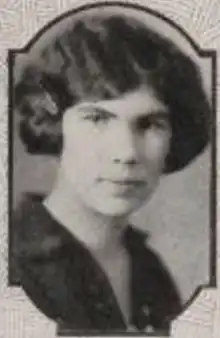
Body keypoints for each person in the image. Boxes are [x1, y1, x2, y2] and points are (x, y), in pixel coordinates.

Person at [11, 11, 210, 334]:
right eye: (97, 119)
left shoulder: (150, 270)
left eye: (149, 124)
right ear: (51, 124)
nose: (127, 153)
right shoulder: (14, 263)